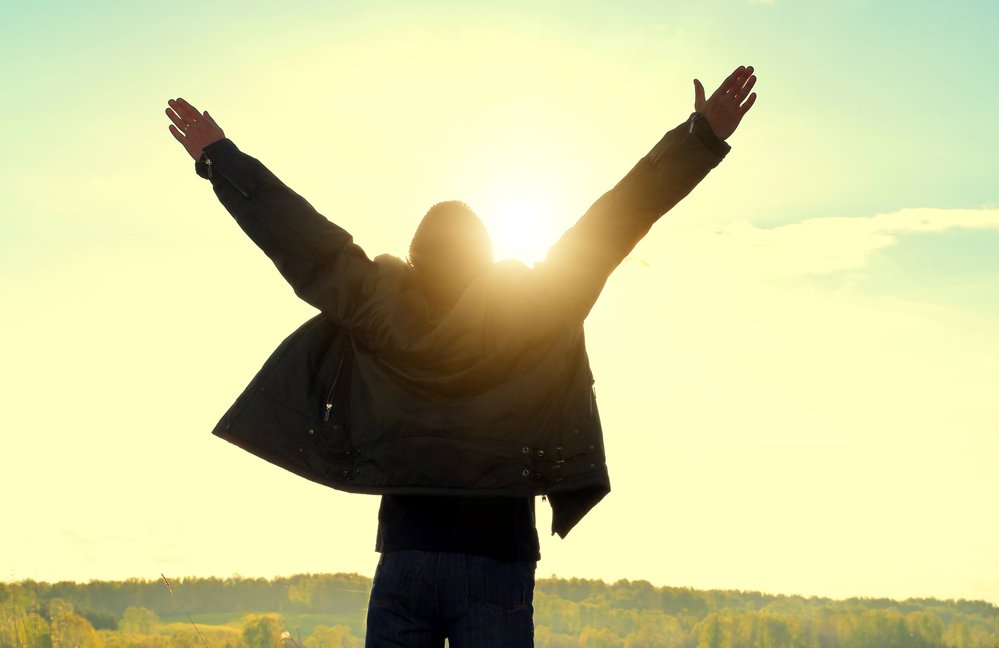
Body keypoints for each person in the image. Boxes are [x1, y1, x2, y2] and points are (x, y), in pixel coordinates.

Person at [166, 65, 757, 648]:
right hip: (496, 561)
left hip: (405, 556)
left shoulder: (374, 303)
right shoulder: (534, 307)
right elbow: (614, 221)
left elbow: (299, 237)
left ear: (415, 254)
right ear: (486, 254)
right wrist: (699, 139)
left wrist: (218, 157)